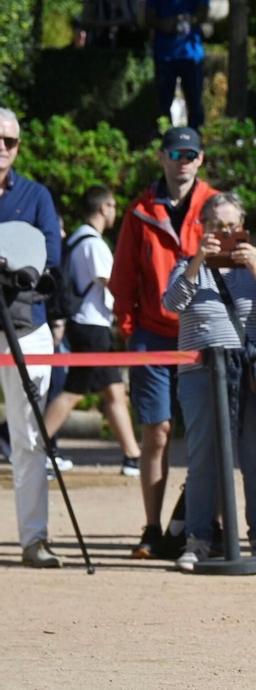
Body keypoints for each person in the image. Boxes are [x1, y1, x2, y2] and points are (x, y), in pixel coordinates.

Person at [162, 193, 256, 571]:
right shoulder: (187, 265)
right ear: (202, 228)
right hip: (201, 374)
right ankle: (198, 540)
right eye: (216, 226)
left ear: (243, 227)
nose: (225, 233)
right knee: (204, 457)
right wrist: (198, 258)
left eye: (232, 227)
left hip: (253, 374)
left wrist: (255, 266)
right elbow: (171, 305)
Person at [110, 126, 217, 558]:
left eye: (191, 153)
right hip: (153, 335)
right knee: (156, 432)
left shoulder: (214, 204)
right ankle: (153, 528)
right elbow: (123, 274)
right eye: (176, 153)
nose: (184, 160)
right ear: (162, 157)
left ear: (201, 158)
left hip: (201, 333)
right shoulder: (140, 209)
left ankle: (200, 526)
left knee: (206, 435)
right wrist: (129, 326)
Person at [0, 107, 65, 567]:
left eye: (11, 141)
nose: (4, 147)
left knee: (28, 435)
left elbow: (50, 260)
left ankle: (34, 539)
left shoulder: (36, 195)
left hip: (24, 325)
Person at [42, 186, 141, 476]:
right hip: (92, 325)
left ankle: (132, 455)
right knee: (75, 390)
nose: (115, 211)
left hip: (88, 324)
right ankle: (39, 446)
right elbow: (113, 281)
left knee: (114, 391)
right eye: (113, 205)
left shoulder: (75, 239)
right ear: (104, 207)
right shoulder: (93, 243)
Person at [143, 0, 209, 127]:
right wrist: (164, 24)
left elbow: (203, 13)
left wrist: (186, 20)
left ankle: (196, 146)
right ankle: (165, 145)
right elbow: (149, 17)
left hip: (191, 54)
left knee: (195, 105)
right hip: (165, 55)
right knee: (163, 106)